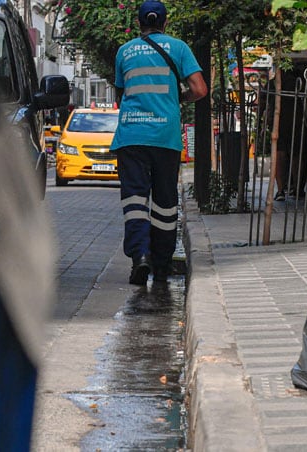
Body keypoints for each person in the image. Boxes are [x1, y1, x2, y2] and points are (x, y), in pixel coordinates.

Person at [111, 0, 208, 285]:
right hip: (165, 137)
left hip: (131, 138)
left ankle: (140, 257)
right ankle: (162, 264)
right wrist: (180, 98)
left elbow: (121, 94)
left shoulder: (124, 51)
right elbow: (200, 89)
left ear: (139, 23)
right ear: (165, 23)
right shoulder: (178, 48)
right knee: (165, 204)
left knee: (135, 201)